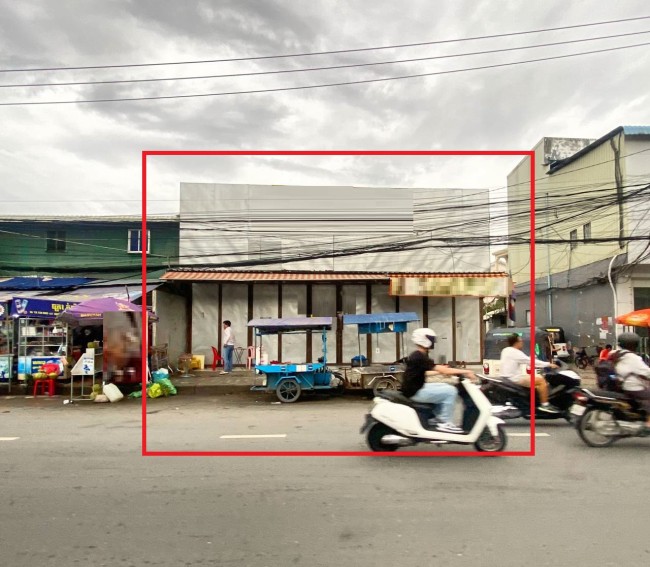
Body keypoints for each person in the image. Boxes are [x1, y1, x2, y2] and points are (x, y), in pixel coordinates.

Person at [402, 328, 476, 434]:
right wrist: (466, 371)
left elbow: (424, 372)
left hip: (415, 388)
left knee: (446, 387)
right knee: (451, 392)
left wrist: (442, 371)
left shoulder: (419, 354)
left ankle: (437, 418)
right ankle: (445, 422)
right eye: (431, 339)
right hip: (415, 391)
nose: (433, 341)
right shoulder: (419, 356)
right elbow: (441, 369)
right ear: (424, 339)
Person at [500, 333, 560, 414]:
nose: (522, 343)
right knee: (541, 381)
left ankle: (536, 400)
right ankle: (545, 404)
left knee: (536, 378)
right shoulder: (515, 352)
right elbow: (530, 362)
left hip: (507, 377)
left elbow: (525, 360)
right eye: (520, 341)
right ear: (516, 342)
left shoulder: (506, 350)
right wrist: (548, 364)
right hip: (514, 378)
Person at [614, 332, 650, 433]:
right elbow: (646, 372)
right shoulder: (632, 358)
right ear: (634, 344)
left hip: (622, 384)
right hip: (633, 387)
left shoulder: (618, 354)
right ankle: (648, 425)